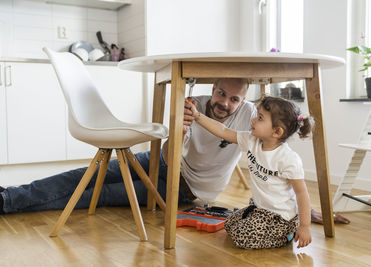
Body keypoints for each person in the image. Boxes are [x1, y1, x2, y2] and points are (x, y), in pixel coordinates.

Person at [0, 77, 349, 225]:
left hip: (186, 190)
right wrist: (178, 132)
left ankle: (10, 201)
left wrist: (305, 212)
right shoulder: (193, 103)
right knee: (85, 175)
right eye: (220, 92)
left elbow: (278, 170)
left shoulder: (250, 121)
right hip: (163, 164)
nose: (223, 102)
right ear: (212, 87)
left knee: (99, 194)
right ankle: (10, 197)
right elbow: (167, 158)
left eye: (234, 98)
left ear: (245, 100)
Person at [186, 95, 313, 249]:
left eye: (260, 118)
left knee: (241, 237)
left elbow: (301, 194)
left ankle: (286, 235)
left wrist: (304, 226)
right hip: (259, 208)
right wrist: (197, 115)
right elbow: (223, 130)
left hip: (280, 218)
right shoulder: (251, 141)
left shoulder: (288, 159)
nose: (253, 120)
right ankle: (266, 228)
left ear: (277, 131)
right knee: (229, 224)